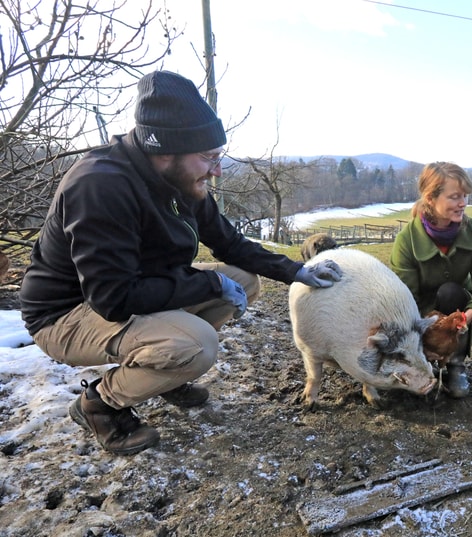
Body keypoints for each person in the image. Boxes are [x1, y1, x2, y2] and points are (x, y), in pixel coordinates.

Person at [19, 71, 342, 455]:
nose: (216, 170)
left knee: (243, 279)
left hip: (133, 288)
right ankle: (101, 404)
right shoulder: (100, 186)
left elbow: (228, 242)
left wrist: (297, 271)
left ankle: (164, 372)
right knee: (197, 344)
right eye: (208, 158)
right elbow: (113, 299)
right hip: (67, 314)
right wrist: (211, 284)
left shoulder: (180, 181)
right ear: (165, 150)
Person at [390, 162, 472, 398]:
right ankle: (421, 360)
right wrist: (425, 337)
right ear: (430, 198)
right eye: (454, 197)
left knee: (451, 292)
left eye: (464, 196)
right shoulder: (407, 240)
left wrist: (468, 316)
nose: (463, 203)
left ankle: (455, 365)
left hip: (456, 307)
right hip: (420, 313)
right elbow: (405, 300)